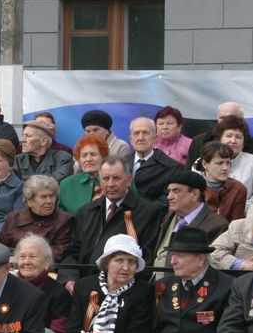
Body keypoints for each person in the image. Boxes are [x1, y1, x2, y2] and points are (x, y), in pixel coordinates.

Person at [58, 158, 163, 289]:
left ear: (129, 180)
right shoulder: (86, 212)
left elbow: (146, 259)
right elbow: (73, 252)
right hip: (84, 289)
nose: (110, 184)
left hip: (124, 291)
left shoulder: (148, 212)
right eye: (106, 179)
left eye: (116, 178)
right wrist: (69, 278)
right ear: (100, 180)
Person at [152, 170, 228, 268]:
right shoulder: (168, 217)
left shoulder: (217, 225)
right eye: (169, 191)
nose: (169, 197)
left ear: (195, 194)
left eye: (176, 191)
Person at [0, 174, 73, 262]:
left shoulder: (64, 220)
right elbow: (0, 249)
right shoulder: (13, 218)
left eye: (52, 196)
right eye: (43, 197)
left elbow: (57, 254)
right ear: (29, 201)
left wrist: (19, 257)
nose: (49, 201)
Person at [184, 102, 253, 171]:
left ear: (242, 120)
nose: (225, 122)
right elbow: (189, 173)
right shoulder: (200, 141)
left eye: (230, 118)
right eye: (222, 118)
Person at [129, 116, 180, 212]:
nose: (140, 138)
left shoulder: (172, 167)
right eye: (136, 133)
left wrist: (140, 211)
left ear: (155, 138)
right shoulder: (121, 165)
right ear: (130, 139)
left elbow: (167, 199)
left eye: (145, 133)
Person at [215, 115, 253, 207]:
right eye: (228, 136)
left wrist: (234, 207)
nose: (233, 141)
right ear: (219, 139)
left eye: (238, 137)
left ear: (243, 142)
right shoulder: (204, 161)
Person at [194, 141, 247, 222]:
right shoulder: (193, 187)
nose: (225, 168)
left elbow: (236, 225)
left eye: (228, 163)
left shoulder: (238, 189)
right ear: (204, 164)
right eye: (220, 163)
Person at [57, 134, 108, 216]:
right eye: (84, 155)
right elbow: (59, 217)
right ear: (79, 160)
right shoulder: (66, 184)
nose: (88, 159)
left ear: (103, 157)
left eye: (93, 154)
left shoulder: (116, 180)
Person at [12, 116, 73, 183]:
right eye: (23, 135)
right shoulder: (18, 160)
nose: (22, 140)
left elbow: (53, 183)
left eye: (28, 136)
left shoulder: (63, 158)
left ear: (43, 141)